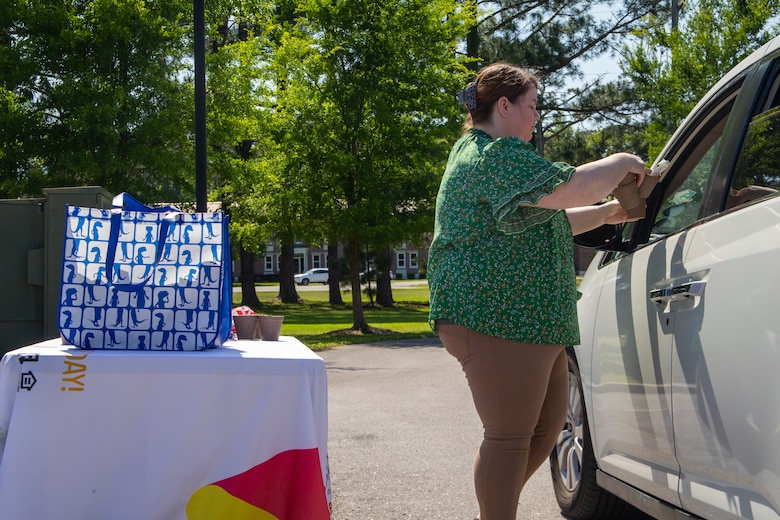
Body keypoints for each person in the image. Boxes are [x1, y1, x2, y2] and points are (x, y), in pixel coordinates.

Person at [427, 63, 649, 520]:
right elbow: (570, 188)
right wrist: (623, 163)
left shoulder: (495, 158)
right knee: (508, 438)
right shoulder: (493, 155)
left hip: (528, 321)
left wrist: (607, 213)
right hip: (494, 318)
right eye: (532, 106)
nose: (537, 117)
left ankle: (495, 502)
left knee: (546, 431)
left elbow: (552, 217)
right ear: (504, 106)